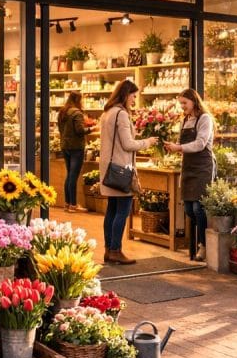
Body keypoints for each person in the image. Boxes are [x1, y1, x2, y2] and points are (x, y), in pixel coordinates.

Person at [99, 80, 157, 265]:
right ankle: (116, 250)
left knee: (112, 210)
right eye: (133, 96)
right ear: (126, 94)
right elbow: (127, 144)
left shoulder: (107, 112)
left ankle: (109, 250)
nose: (134, 99)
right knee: (122, 211)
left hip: (109, 168)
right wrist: (147, 142)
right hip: (121, 170)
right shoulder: (121, 114)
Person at [163, 88, 216, 262]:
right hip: (188, 167)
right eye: (181, 104)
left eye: (184, 103)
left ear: (194, 101)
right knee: (188, 209)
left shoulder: (205, 119)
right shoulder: (185, 120)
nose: (182, 107)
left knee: (198, 209)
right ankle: (204, 238)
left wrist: (179, 147)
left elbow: (200, 144)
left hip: (202, 167)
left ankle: (204, 246)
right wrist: (173, 147)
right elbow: (183, 144)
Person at [56, 91, 94, 213]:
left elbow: (61, 129)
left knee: (69, 175)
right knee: (73, 176)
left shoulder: (63, 112)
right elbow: (79, 130)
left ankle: (67, 203)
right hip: (76, 147)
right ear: (78, 100)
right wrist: (92, 129)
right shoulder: (77, 113)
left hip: (65, 146)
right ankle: (73, 204)